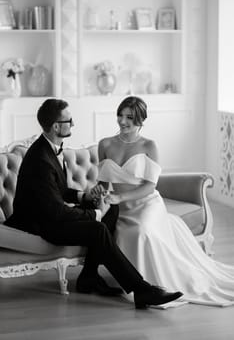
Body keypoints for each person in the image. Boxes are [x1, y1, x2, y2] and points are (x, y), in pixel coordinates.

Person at [4, 98, 183, 309]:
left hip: (51, 213)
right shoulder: (40, 159)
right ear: (55, 126)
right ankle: (141, 289)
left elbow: (58, 192)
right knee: (98, 228)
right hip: (40, 224)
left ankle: (89, 277)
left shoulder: (50, 147)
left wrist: (84, 197)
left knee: (112, 209)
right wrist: (95, 214)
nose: (73, 124)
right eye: (68, 120)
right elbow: (56, 212)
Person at [94, 95, 234, 307]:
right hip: (119, 208)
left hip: (147, 204)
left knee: (142, 231)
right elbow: (103, 184)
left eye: (129, 117)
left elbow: (150, 186)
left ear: (141, 120)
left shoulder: (149, 146)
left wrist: (121, 196)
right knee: (123, 232)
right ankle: (139, 285)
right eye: (120, 115)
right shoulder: (105, 144)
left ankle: (152, 287)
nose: (123, 121)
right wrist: (99, 193)